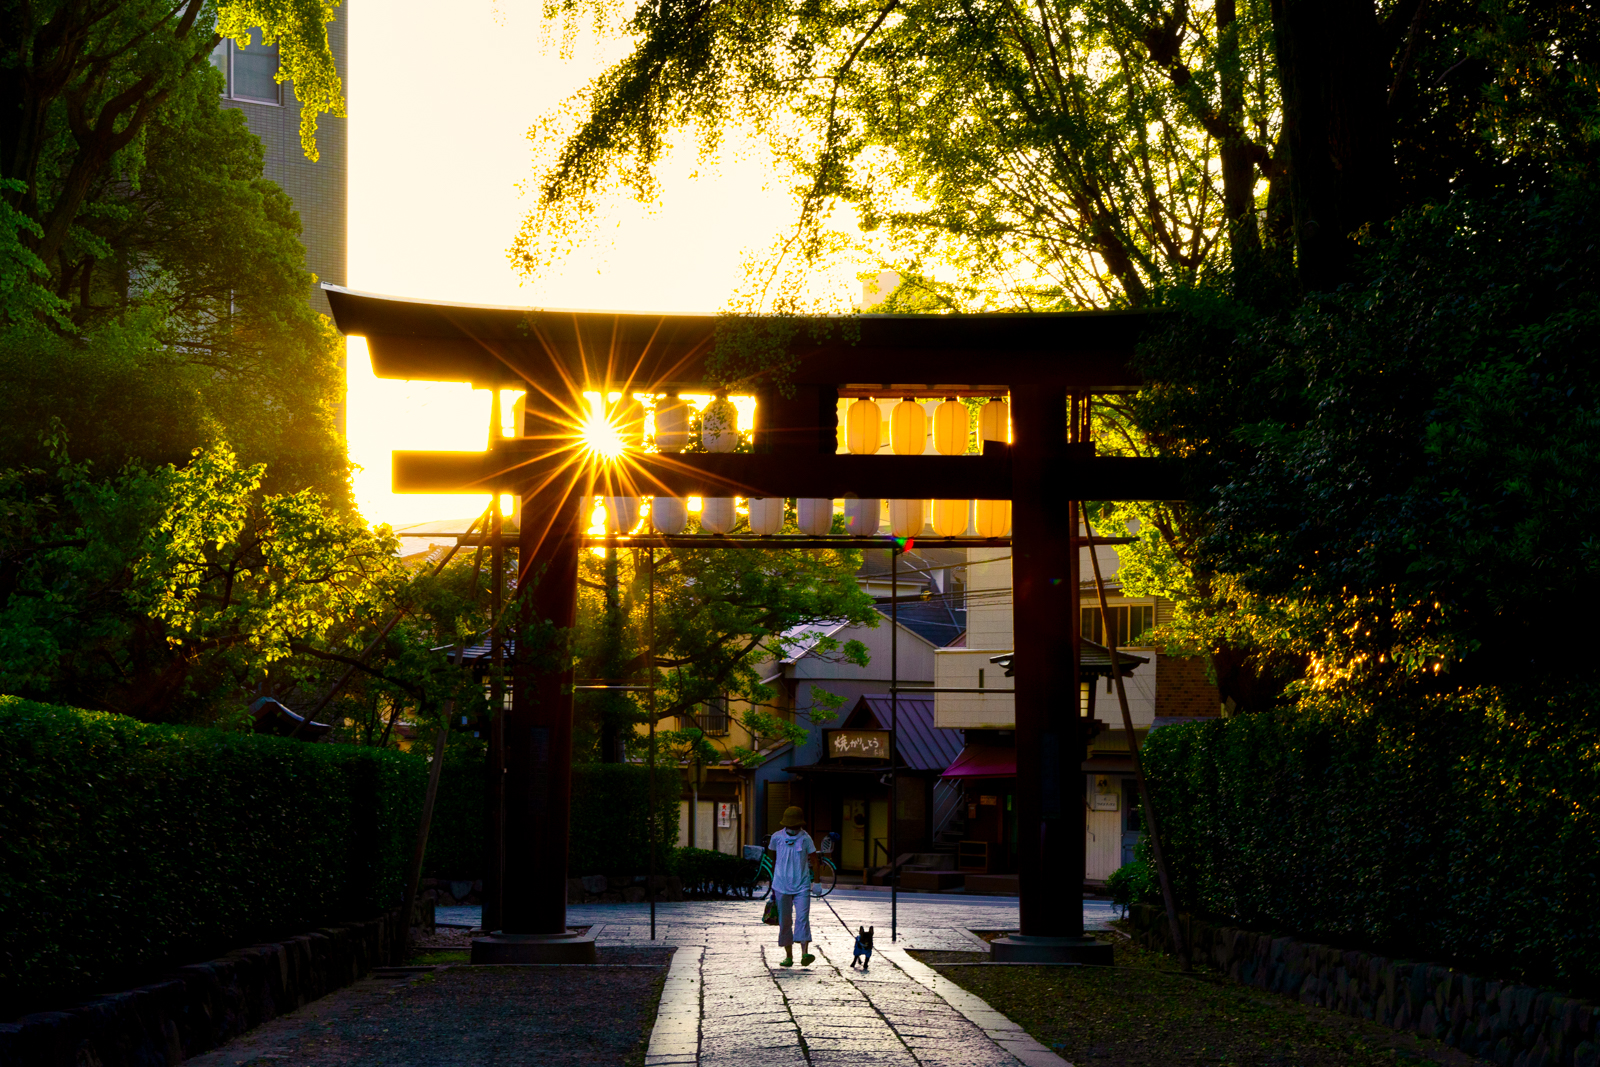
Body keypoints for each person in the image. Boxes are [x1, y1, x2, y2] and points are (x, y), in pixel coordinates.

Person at [767, 805, 821, 967]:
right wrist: (773, 886)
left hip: (802, 885)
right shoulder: (777, 837)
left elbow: (814, 860)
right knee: (785, 921)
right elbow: (773, 859)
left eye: (796, 825)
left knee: (803, 918)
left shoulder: (806, 839)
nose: (794, 828)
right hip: (781, 885)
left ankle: (804, 954)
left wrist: (817, 882)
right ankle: (788, 956)